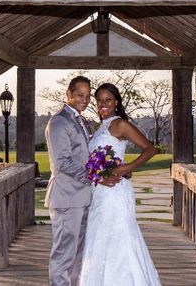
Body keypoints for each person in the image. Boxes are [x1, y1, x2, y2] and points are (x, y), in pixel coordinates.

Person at [79, 82, 161, 286]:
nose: (103, 104)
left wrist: (127, 168)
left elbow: (150, 149)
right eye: (99, 101)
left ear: (116, 102)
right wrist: (97, 175)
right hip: (99, 191)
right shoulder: (101, 127)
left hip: (116, 192)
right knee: (99, 239)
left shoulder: (120, 124)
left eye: (108, 100)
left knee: (119, 239)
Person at [45, 76, 119, 286]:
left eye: (87, 96)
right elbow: (62, 162)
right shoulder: (59, 121)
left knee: (78, 254)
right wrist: (96, 177)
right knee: (63, 255)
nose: (84, 100)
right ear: (68, 95)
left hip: (83, 197)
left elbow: (86, 156)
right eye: (80, 95)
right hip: (67, 198)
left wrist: (109, 168)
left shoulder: (81, 120)